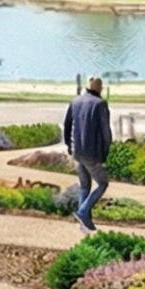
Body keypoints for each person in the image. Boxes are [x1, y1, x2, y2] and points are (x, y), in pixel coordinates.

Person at [61, 76, 113, 231]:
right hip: (92, 153)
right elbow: (105, 131)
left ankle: (85, 223)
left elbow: (67, 124)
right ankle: (83, 212)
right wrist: (106, 151)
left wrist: (68, 144)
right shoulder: (100, 104)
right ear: (99, 88)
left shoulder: (75, 101)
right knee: (103, 183)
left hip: (77, 151)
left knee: (85, 185)